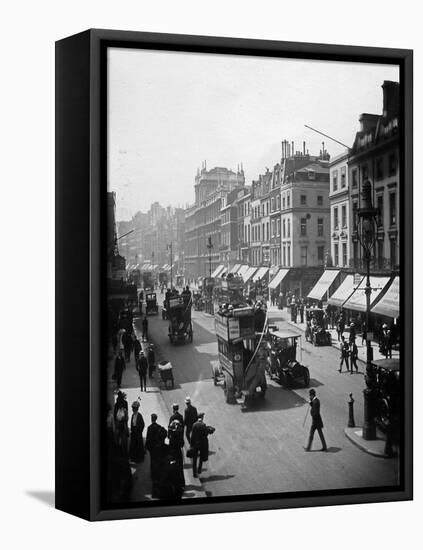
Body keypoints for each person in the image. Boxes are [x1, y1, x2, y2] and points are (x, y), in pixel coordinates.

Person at [145, 414, 167, 498]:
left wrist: (147, 448)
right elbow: (165, 433)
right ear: (156, 419)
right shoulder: (160, 427)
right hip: (159, 449)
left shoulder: (149, 428)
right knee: (158, 464)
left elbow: (147, 439)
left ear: (151, 419)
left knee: (153, 463)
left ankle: (153, 478)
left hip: (152, 450)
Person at [189, 412, 215, 477]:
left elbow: (192, 436)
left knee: (194, 459)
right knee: (201, 457)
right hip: (202, 444)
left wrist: (191, 445)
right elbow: (205, 434)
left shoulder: (194, 425)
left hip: (195, 444)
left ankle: (194, 473)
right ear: (202, 418)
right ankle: (199, 469)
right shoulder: (203, 425)